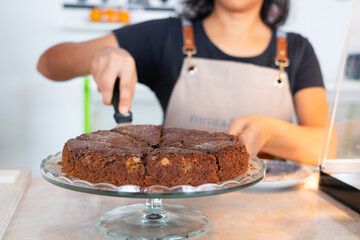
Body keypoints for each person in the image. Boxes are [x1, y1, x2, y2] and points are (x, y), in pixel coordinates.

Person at [37, 0, 336, 166]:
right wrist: (100, 54)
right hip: (177, 215)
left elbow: (326, 147)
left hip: (271, 219)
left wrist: (269, 133)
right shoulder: (167, 36)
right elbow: (49, 62)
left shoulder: (296, 50)